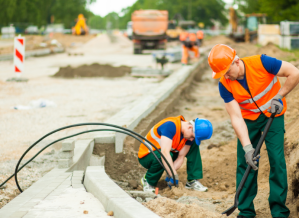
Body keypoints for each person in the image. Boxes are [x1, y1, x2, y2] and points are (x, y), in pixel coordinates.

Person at [208, 44, 299, 218]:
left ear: (236, 61)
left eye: (227, 71)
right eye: (222, 74)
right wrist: (248, 148)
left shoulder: (262, 62)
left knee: (277, 160)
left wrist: (279, 96)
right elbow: (236, 117)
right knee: (245, 162)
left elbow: (294, 72)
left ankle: (279, 211)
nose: (226, 76)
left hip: (274, 115)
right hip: (249, 121)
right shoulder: (225, 85)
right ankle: (246, 211)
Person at [138, 115, 213, 192]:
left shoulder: (188, 134)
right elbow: (164, 153)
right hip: (148, 156)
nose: (191, 139)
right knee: (162, 155)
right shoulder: (170, 126)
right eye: (192, 136)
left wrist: (170, 173)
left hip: (167, 154)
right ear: (190, 127)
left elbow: (181, 157)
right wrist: (173, 174)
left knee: (194, 145)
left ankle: (192, 181)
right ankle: (148, 181)